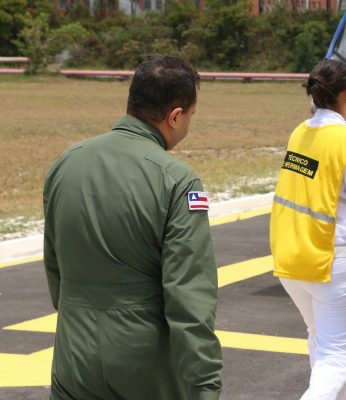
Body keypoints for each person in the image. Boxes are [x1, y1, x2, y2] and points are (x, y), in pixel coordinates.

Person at [43, 55, 222, 400]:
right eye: (191, 117)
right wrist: (205, 381)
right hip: (144, 360)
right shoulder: (179, 180)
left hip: (73, 349)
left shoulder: (65, 163)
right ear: (174, 116)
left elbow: (55, 267)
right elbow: (189, 292)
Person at [270, 59, 346, 400]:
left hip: (294, 261)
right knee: (339, 358)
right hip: (336, 266)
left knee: (325, 350)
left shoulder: (300, 133)